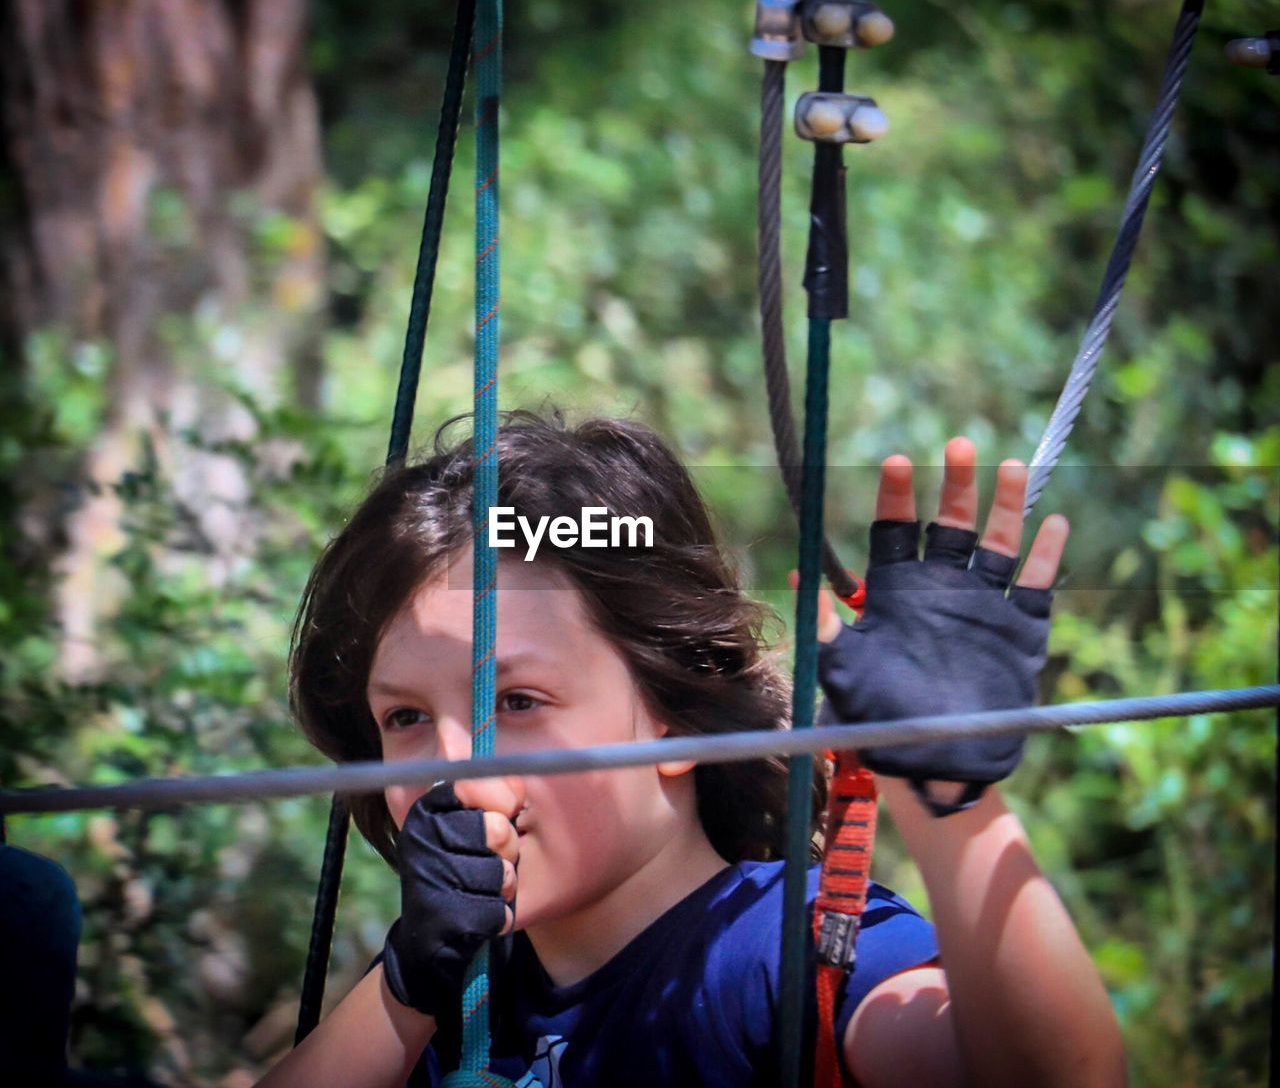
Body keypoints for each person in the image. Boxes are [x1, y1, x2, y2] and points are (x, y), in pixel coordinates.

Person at [258, 410, 1126, 1088]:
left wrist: (948, 796)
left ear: (673, 714)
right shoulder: (443, 983)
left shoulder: (773, 948)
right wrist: (406, 988)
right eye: (405, 718)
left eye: (517, 701)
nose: (453, 772)